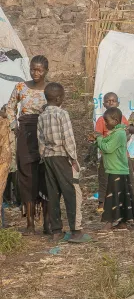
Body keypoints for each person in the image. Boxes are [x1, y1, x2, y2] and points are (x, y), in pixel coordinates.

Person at [38, 82, 88, 243]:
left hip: (48, 158)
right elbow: (68, 138)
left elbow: (40, 140)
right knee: (70, 193)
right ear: (60, 98)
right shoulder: (62, 114)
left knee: (53, 194)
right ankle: (75, 230)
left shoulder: (42, 116)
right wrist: (73, 158)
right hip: (62, 157)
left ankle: (56, 231)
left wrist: (44, 157)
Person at [6, 55, 49, 235]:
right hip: (24, 135)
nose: (35, 73)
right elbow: (10, 107)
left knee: (46, 176)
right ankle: (30, 224)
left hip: (46, 135)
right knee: (26, 176)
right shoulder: (21, 87)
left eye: (39, 70)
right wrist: (14, 126)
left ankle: (48, 222)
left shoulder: (51, 89)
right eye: (33, 69)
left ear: (46, 70)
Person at [92, 107, 134, 231]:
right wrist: (98, 139)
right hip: (117, 169)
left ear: (116, 120)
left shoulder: (119, 133)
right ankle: (122, 222)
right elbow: (106, 141)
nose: (105, 124)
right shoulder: (116, 132)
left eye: (107, 121)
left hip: (116, 169)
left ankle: (108, 223)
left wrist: (99, 138)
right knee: (121, 196)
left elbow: (107, 148)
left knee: (112, 197)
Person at [95, 92, 128, 212]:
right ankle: (102, 204)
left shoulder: (120, 130)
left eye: (113, 100)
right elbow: (99, 134)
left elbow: (107, 146)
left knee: (122, 184)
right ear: (103, 104)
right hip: (109, 160)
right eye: (108, 101)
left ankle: (133, 202)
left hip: (118, 160)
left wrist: (99, 139)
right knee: (104, 181)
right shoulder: (103, 121)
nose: (110, 103)